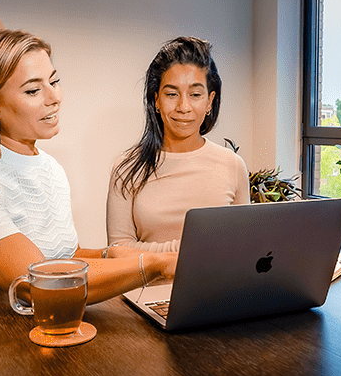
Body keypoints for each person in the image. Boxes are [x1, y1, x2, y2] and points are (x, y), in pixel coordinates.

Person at [0, 29, 177, 302]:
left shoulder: (50, 169)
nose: (54, 97)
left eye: (54, 81)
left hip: (52, 324)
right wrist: (153, 265)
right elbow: (39, 283)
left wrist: (108, 254)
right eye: (33, 90)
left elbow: (64, 258)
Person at [107, 37, 250, 252]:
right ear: (156, 99)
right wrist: (186, 251)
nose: (183, 107)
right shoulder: (127, 167)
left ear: (210, 101)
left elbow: (243, 246)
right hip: (150, 278)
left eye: (195, 94)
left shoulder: (233, 165)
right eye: (172, 94)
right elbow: (118, 250)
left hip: (217, 277)